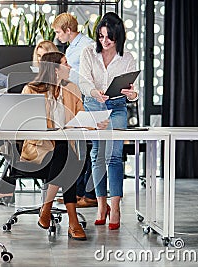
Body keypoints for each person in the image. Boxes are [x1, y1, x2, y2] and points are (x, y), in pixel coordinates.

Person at [21, 52, 109, 241]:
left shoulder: (73, 89)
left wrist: (95, 123)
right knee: (66, 155)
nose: (70, 67)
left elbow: (81, 117)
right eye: (65, 64)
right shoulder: (31, 89)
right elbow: (24, 125)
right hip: (40, 148)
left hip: (64, 150)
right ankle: (72, 221)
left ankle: (47, 208)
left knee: (65, 153)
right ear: (54, 69)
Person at [79, 12, 138, 230]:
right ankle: (101, 205)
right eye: (101, 37)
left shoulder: (127, 57)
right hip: (94, 105)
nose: (104, 42)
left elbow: (132, 90)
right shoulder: (88, 53)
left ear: (118, 37)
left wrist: (132, 94)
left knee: (114, 156)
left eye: (109, 37)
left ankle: (116, 207)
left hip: (117, 108)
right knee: (97, 156)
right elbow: (83, 81)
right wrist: (95, 92)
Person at [52, 13, 97, 208]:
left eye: (58, 32)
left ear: (68, 30)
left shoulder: (87, 45)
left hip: (85, 99)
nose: (57, 37)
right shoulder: (72, 47)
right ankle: (76, 193)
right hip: (75, 98)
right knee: (78, 148)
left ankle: (88, 194)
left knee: (86, 148)